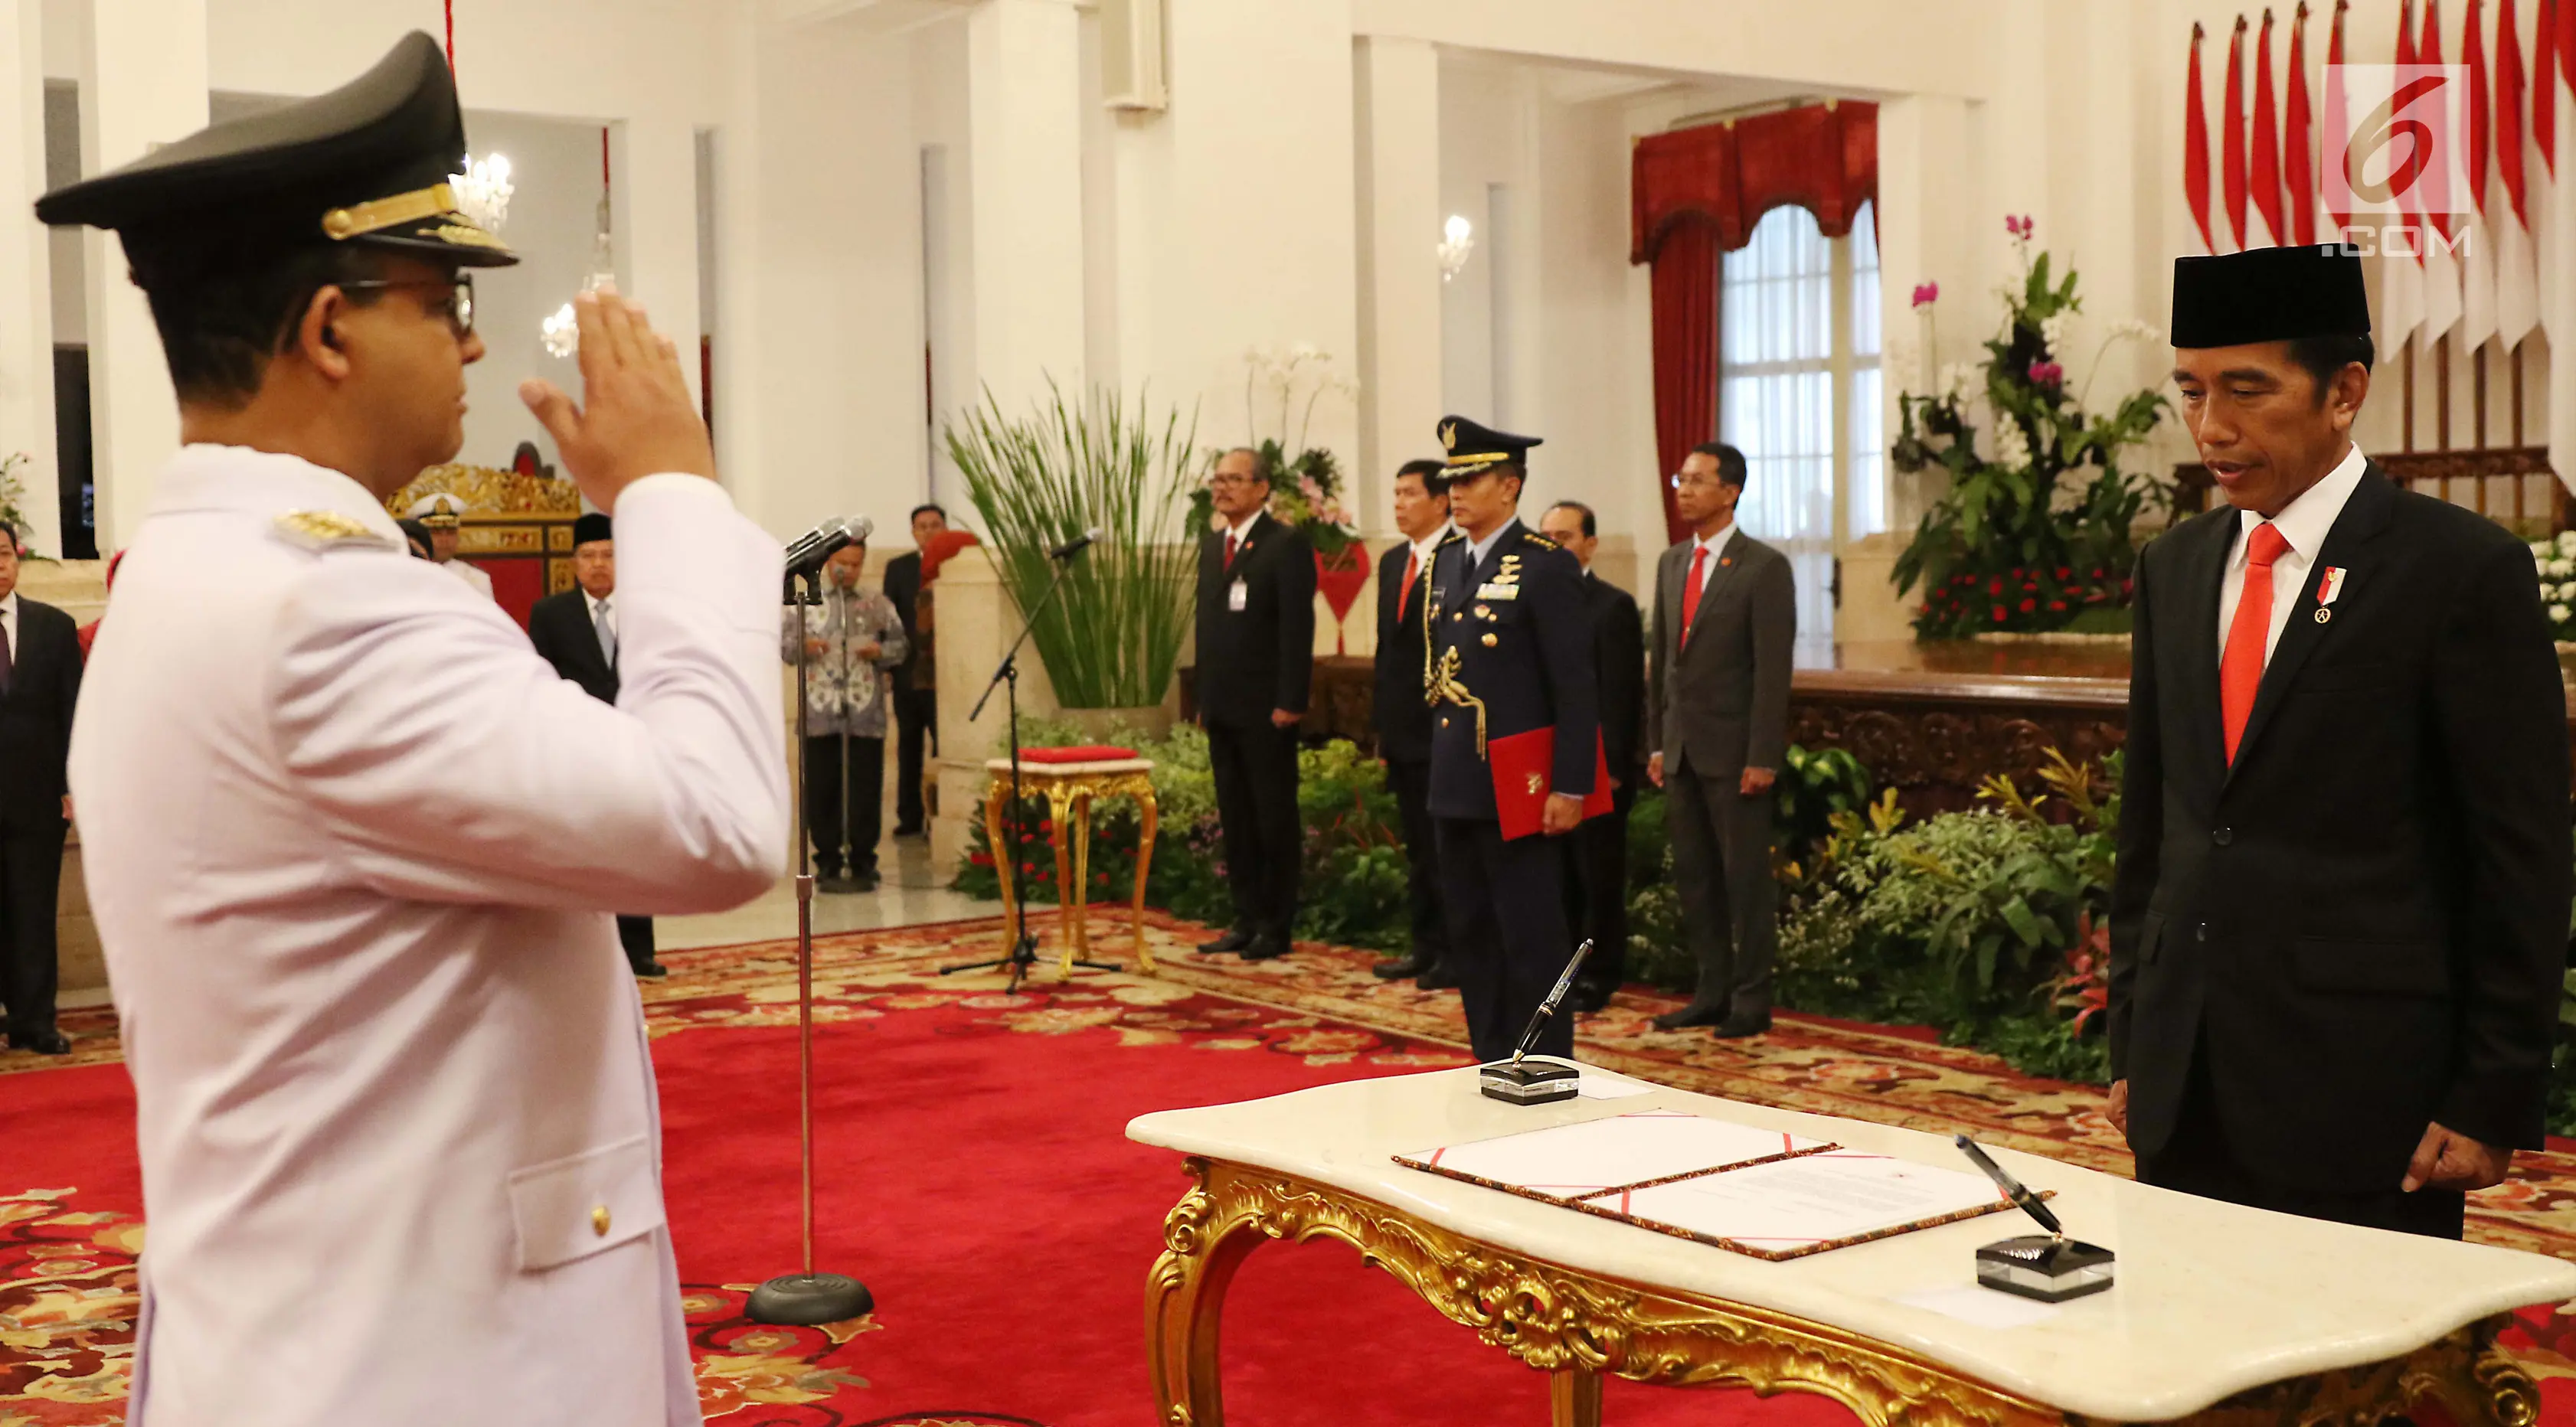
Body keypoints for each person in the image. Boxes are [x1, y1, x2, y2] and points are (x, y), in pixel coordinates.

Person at [42, 32, 788, 1425]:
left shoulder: (211, 570)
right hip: (419, 1362)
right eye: (443, 297)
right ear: (328, 328)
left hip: (335, 1322)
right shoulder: (322, 612)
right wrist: (673, 492)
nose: (470, 339)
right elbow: (715, 819)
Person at [2109, 243, 2571, 1240]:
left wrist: (2491, 1094)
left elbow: (2519, 860)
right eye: (2189, 392)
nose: (2212, 429)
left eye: (2246, 391)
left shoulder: (2457, 571)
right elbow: (2153, 826)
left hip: (2367, 1093)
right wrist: (2132, 1040)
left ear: (2344, 391)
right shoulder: (2176, 568)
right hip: (2186, 1077)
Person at [1422, 416, 1598, 1063]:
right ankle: (1491, 1057)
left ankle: (1545, 1062)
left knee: (1531, 934)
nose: (1457, 492)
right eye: (1452, 481)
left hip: (1519, 784)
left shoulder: (1544, 566)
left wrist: (1570, 783)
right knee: (1470, 930)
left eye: (1471, 479)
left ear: (1511, 485)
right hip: (1458, 781)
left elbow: (1575, 686)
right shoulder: (1446, 561)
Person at [1645, 441, 1794, 1038]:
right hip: (1682, 750)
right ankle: (1710, 991)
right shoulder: (1671, 561)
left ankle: (1751, 999)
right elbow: (1664, 665)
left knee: (1744, 881)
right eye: (1681, 479)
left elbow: (1771, 670)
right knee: (1697, 877)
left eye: (1697, 480)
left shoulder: (1763, 567)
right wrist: (1658, 742)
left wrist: (1762, 755)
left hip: (1736, 756)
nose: (1684, 489)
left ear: (1730, 491)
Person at [527, 511, 665, 977]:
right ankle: (587, 951)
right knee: (586, 846)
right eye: (589, 556)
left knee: (635, 843)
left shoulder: (647, 612)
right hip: (579, 745)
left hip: (635, 741)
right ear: (574, 563)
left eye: (608, 555)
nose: (599, 565)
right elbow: (541, 678)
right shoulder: (550, 614)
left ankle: (639, 949)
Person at [1192, 446, 1316, 963]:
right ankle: (1244, 917)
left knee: (1272, 818)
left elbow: (1296, 627)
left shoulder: (1284, 544)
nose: (1222, 489)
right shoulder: (1211, 544)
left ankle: (1275, 924)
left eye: (1234, 480)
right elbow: (1209, 629)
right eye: (1217, 480)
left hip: (1268, 710)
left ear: (1262, 488)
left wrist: (1291, 698)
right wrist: (1204, 698)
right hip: (1223, 706)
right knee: (1235, 818)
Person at [1539, 500, 1644, 1014]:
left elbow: (1619, 695)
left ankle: (1599, 973)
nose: (1553, 546)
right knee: (1554, 878)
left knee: (1596, 875)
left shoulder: (1611, 606)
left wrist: (1616, 767)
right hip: (1544, 765)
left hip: (1600, 768)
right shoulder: (1531, 601)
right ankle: (1557, 972)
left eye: (1564, 537)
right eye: (1546, 538)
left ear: (1590, 544)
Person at [1368, 459, 1456, 988]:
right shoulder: (1393, 561)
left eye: (1409, 494)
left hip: (1443, 731)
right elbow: (1388, 653)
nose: (1399, 503)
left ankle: (1456, 951)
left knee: (1447, 849)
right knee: (1418, 849)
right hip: (1402, 730)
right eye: (1395, 493)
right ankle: (1424, 945)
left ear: (1441, 502)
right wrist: (1381, 727)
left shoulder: (1457, 559)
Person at [783, 540, 907, 892]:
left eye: (855, 564)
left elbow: (901, 646)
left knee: (865, 788)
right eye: (841, 564)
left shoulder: (877, 604)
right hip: (820, 713)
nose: (847, 571)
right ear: (826, 563)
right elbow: (784, 647)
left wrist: (879, 651)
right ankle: (827, 860)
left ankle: (864, 860)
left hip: (864, 712)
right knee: (822, 789)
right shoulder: (804, 605)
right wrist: (804, 647)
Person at [0, 522, 80, 1055]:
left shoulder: (53, 627)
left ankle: (35, 1021)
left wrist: (73, 785)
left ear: (17, 559)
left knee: (32, 912)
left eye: (2, 554)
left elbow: (75, 712)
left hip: (34, 798)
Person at [879, 502, 946, 838]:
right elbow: (887, 619)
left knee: (944, 746)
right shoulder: (899, 568)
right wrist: (888, 665)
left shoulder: (955, 567)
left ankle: (945, 815)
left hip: (944, 675)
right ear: (913, 531)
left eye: (936, 525)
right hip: (907, 671)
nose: (929, 532)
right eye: (923, 526)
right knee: (908, 746)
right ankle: (909, 817)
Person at [408, 491, 494, 599]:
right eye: (436, 532)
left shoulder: (476, 579)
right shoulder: (408, 574)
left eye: (451, 532)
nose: (444, 540)